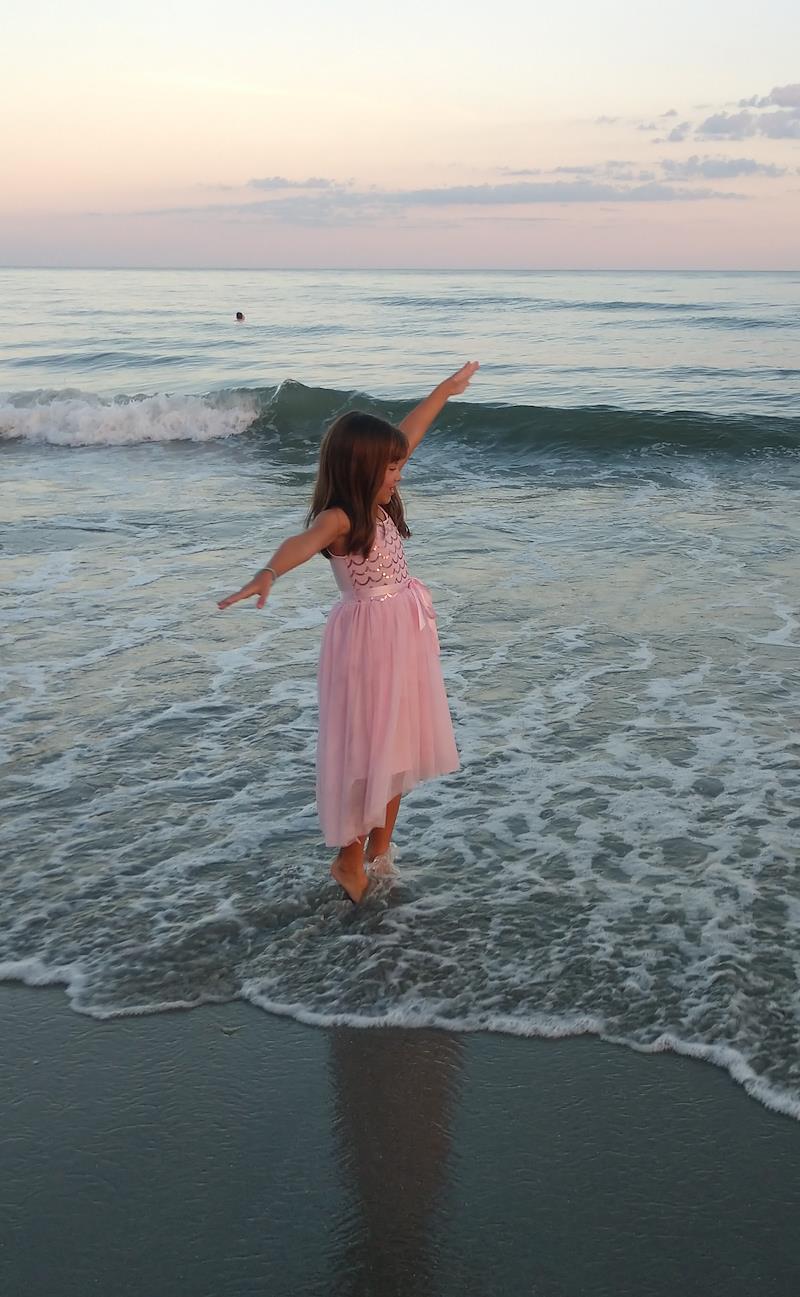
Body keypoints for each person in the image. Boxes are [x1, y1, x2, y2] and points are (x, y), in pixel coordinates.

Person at [218, 361, 480, 903]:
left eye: (399, 467)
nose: (399, 474)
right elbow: (303, 540)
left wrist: (444, 391)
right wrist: (268, 572)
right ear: (361, 470)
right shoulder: (341, 518)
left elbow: (410, 432)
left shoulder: (380, 499)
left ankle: (379, 856)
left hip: (404, 631)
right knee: (371, 752)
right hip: (370, 641)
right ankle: (348, 859)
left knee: (399, 748)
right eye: (390, 470)